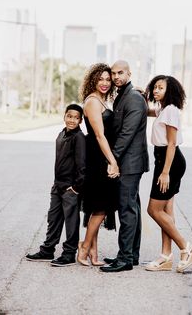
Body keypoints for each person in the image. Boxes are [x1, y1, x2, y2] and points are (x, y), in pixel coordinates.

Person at [144, 75, 192, 273]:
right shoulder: (163, 109)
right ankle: (165, 256)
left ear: (171, 91)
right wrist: (142, 94)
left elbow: (171, 143)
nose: (156, 91)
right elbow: (147, 110)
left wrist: (165, 172)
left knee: (154, 210)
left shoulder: (170, 111)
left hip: (170, 162)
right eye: (155, 88)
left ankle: (186, 247)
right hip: (165, 160)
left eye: (160, 88)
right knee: (166, 211)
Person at [100, 60, 149, 273]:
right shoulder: (124, 95)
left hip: (130, 163)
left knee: (127, 210)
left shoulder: (134, 98)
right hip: (128, 162)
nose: (116, 77)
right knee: (133, 208)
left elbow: (127, 134)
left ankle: (125, 259)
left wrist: (112, 160)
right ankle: (131, 255)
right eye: (114, 73)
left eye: (120, 73)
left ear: (129, 73)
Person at [26, 104, 86, 267]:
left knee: (71, 222)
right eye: (69, 116)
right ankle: (47, 250)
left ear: (81, 120)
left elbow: (82, 166)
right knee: (53, 219)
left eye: (76, 117)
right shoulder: (62, 133)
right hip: (57, 186)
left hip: (70, 188)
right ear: (64, 116)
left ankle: (69, 254)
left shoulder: (79, 137)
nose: (72, 120)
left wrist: (75, 188)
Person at [77, 63, 119, 266]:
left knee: (97, 208)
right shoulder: (93, 102)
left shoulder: (102, 100)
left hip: (101, 157)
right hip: (97, 160)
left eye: (107, 79)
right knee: (101, 208)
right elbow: (100, 136)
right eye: (100, 79)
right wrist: (113, 162)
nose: (104, 83)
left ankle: (93, 253)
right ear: (92, 80)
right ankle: (84, 247)